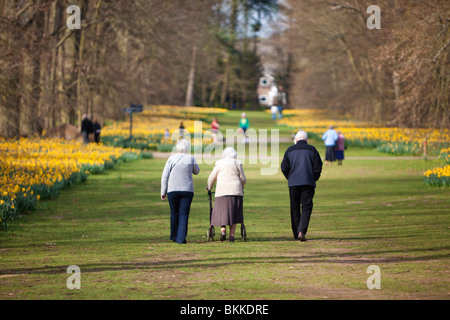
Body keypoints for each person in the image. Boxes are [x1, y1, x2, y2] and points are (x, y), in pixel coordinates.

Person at [281, 130, 322, 241]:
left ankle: (296, 233)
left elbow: (284, 167)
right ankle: (301, 231)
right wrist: (314, 178)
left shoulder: (290, 150)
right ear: (306, 139)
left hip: (293, 183)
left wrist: (290, 178)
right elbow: (318, 167)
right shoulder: (312, 150)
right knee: (306, 207)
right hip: (308, 183)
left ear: (296, 139)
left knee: (294, 208)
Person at [161, 139, 200, 244]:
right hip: (187, 190)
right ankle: (181, 238)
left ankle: (174, 236)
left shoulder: (171, 159)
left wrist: (163, 192)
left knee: (174, 213)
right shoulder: (190, 158)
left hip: (172, 190)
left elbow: (165, 176)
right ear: (187, 148)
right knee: (184, 214)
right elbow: (197, 171)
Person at [207, 147, 246, 242]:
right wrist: (242, 186)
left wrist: (209, 186)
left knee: (222, 212)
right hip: (235, 191)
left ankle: (223, 230)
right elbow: (243, 178)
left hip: (221, 191)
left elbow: (212, 177)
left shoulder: (219, 163)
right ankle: (231, 235)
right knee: (234, 213)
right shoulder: (237, 162)